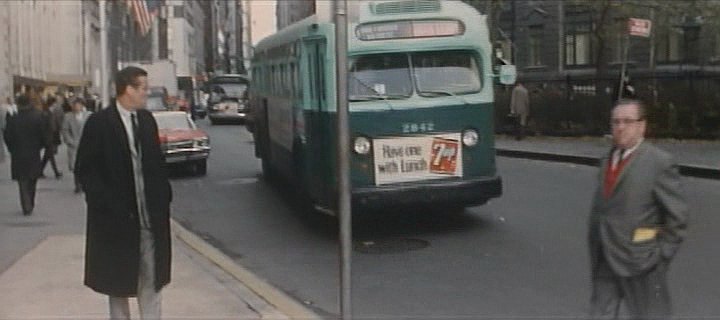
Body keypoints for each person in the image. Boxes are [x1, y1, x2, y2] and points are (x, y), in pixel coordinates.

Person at [76, 66, 172, 320]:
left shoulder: (147, 121)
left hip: (149, 218)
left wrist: (164, 196)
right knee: (118, 284)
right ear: (127, 89)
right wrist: (103, 203)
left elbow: (156, 164)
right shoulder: (99, 123)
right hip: (116, 221)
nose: (146, 93)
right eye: (142, 87)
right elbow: (85, 169)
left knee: (152, 283)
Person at [588, 99, 688, 320]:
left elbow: (677, 218)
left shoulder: (659, 163)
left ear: (642, 126)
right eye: (615, 122)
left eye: (627, 121)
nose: (620, 127)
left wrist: (660, 257)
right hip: (605, 255)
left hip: (641, 262)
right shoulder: (606, 159)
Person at [3, 94, 48, 215]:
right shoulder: (38, 117)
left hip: (18, 154)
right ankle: (30, 202)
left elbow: (7, 136)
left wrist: (12, 149)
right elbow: (43, 136)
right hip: (33, 153)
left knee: (22, 181)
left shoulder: (13, 119)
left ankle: (26, 204)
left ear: (18, 104)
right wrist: (40, 146)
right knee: (32, 180)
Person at [62, 98, 92, 193]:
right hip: (74, 145)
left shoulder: (88, 115)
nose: (76, 107)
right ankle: (78, 184)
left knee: (86, 165)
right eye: (75, 105)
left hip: (87, 144)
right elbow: (65, 130)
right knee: (75, 166)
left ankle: (84, 183)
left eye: (79, 105)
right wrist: (70, 141)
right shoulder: (68, 116)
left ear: (82, 105)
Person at [39, 97, 63, 179]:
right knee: (50, 155)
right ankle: (56, 172)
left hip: (51, 136)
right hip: (48, 137)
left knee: (48, 156)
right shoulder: (46, 113)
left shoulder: (49, 112)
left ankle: (40, 171)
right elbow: (47, 126)